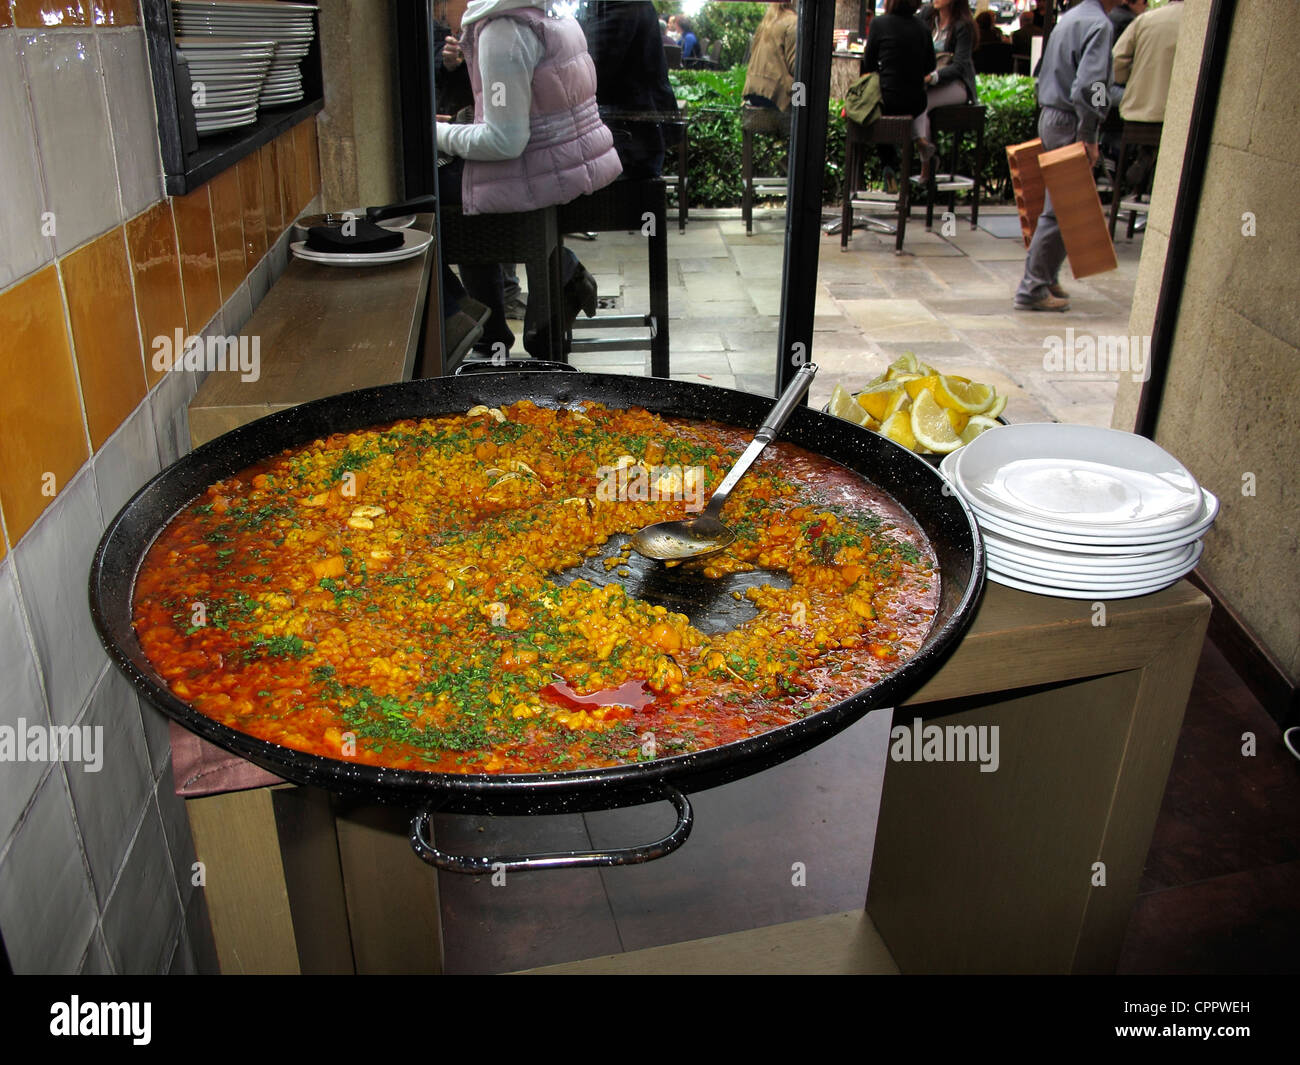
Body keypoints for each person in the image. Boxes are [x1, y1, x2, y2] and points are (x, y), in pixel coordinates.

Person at [438, 0, 622, 356]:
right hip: (569, 162)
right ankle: (552, 279)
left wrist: (436, 134)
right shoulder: (548, 11)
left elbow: (503, 141)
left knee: (420, 197)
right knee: (465, 193)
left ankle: (468, 324)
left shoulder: (502, 29)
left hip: (541, 169)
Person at [1014, 0, 1120, 312]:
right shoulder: (1100, 24)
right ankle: (1033, 286)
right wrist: (1089, 133)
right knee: (1060, 208)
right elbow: (1091, 87)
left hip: (1053, 114)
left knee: (1060, 205)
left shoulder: (1072, 17)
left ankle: (1043, 278)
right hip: (1069, 119)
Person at [580, 0, 680, 180]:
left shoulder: (620, 4)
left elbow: (594, 70)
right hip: (632, 133)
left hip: (628, 136)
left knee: (630, 203)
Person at [916, 0, 978, 181]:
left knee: (922, 104)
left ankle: (926, 163)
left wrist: (932, 77)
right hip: (930, 83)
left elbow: (959, 66)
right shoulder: (927, 15)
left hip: (957, 85)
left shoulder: (963, 26)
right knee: (915, 101)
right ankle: (928, 157)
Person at [742, 2, 798, 111]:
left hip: (753, 90)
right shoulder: (793, 22)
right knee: (803, 95)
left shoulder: (768, 21)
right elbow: (797, 67)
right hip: (776, 94)